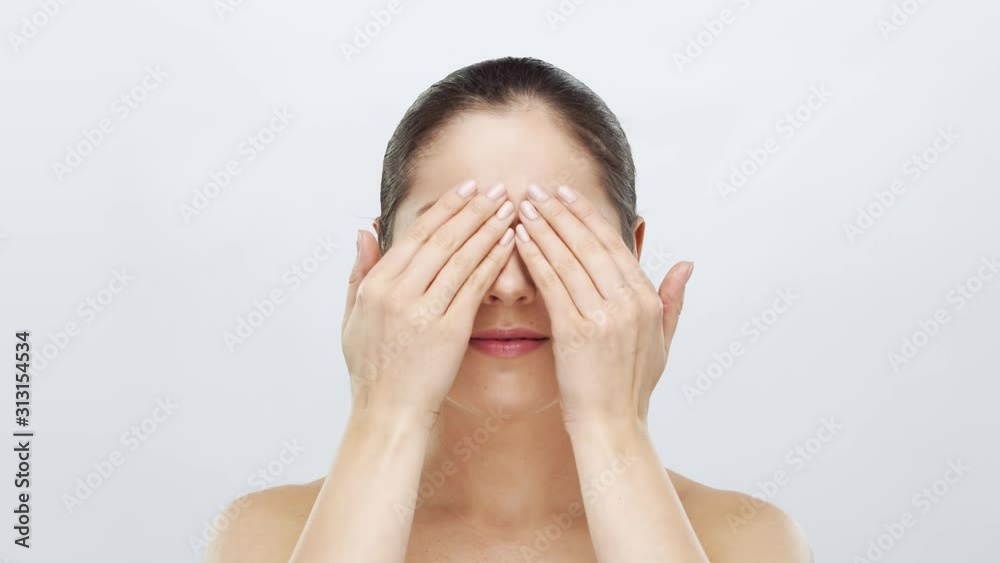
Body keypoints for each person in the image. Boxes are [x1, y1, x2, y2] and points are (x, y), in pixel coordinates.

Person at [205, 56, 812, 563]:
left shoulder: (745, 540)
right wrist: (384, 413)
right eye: (463, 236)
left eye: (556, 234)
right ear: (376, 266)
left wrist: (613, 429)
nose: (510, 287)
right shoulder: (266, 536)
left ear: (632, 257)